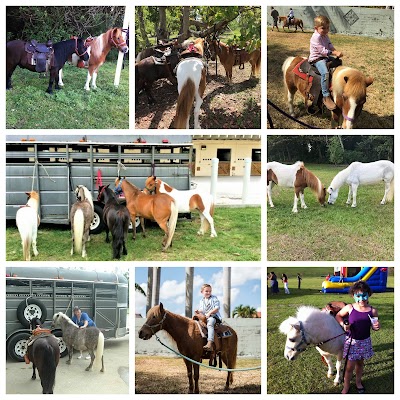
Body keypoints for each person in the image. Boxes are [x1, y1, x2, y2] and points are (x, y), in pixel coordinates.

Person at [335, 281, 380, 394]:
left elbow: (374, 326)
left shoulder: (373, 311)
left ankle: (358, 382)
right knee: (349, 367)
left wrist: (376, 327)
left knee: (360, 364)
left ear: (369, 294)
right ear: (353, 296)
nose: (361, 298)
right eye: (358, 296)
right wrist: (343, 325)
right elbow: (338, 315)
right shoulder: (350, 307)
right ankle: (346, 386)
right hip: (352, 342)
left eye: (364, 295)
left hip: (364, 341)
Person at [308, 15, 343, 111]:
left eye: (327, 28)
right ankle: (325, 96)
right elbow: (322, 50)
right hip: (317, 59)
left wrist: (335, 51)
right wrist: (334, 53)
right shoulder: (316, 37)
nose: (326, 30)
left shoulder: (325, 35)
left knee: (338, 62)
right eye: (323, 28)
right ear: (316, 28)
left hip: (325, 57)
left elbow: (329, 45)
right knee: (325, 73)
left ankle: (335, 83)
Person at [194, 284, 222, 351]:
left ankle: (210, 342)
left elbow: (217, 308)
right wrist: (198, 311)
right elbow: (202, 310)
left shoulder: (214, 298)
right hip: (205, 317)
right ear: (202, 292)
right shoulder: (201, 301)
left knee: (210, 324)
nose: (208, 293)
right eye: (206, 291)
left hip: (214, 317)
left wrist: (210, 313)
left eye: (210, 291)